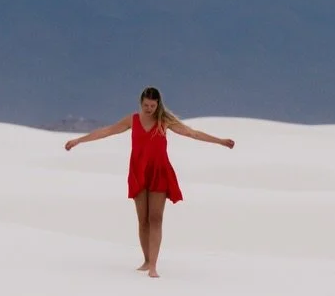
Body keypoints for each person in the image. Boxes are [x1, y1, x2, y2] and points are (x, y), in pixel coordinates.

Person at [64, 87, 235, 277]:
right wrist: (79, 140)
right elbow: (107, 131)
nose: (149, 109)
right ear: (141, 103)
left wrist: (220, 141)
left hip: (159, 171)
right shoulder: (132, 120)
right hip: (139, 171)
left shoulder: (164, 121)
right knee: (143, 220)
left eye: (152, 106)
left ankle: (153, 265)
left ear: (158, 104)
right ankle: (146, 260)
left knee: (156, 218)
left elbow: (192, 133)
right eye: (146, 105)